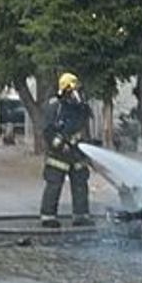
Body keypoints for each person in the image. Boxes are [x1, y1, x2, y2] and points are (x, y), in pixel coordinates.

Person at [39, 72, 94, 228]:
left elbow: (84, 128)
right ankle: (48, 216)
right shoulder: (54, 106)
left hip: (77, 153)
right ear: (65, 91)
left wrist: (85, 146)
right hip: (58, 154)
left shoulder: (82, 108)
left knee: (81, 183)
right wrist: (59, 144)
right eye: (73, 91)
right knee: (54, 183)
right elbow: (47, 129)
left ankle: (81, 215)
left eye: (78, 90)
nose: (76, 94)